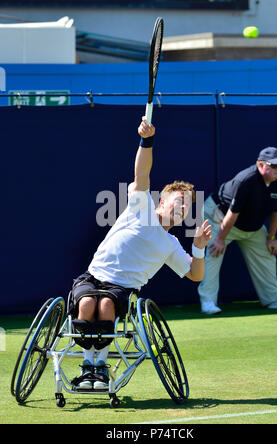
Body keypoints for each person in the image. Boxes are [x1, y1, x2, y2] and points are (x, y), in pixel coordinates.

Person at [70, 116, 212, 390]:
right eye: (179, 202)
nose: (183, 209)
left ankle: (99, 369)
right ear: (163, 200)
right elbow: (142, 173)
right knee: (87, 304)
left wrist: (198, 247)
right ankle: (89, 364)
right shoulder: (141, 206)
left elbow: (195, 275)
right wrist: (147, 140)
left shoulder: (170, 244)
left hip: (121, 289)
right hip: (93, 276)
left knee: (105, 306)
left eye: (187, 207)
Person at [198, 146, 277, 315]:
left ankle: (274, 299)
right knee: (214, 252)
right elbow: (232, 214)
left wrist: (271, 237)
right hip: (219, 217)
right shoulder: (245, 180)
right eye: (273, 166)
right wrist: (220, 239)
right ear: (260, 165)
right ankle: (208, 301)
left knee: (267, 253)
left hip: (251, 226)